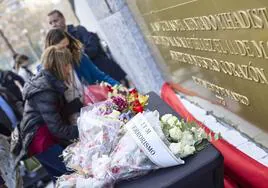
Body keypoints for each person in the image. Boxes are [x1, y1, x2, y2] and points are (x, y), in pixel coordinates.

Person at [11, 47, 79, 181]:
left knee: (62, 180)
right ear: (59, 66)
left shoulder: (47, 82)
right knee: (75, 175)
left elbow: (52, 112)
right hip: (41, 140)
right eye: (67, 65)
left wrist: (76, 105)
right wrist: (82, 130)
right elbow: (57, 128)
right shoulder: (45, 89)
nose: (69, 69)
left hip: (40, 139)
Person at [47, 9, 130, 87]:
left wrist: (78, 54)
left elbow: (93, 48)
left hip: (104, 70)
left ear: (63, 19)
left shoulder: (79, 30)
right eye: (50, 23)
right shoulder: (53, 62)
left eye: (55, 20)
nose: (54, 25)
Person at [44, 29, 119, 107]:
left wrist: (119, 88)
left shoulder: (79, 58)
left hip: (93, 107)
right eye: (61, 48)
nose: (67, 51)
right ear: (51, 51)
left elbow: (100, 76)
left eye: (67, 46)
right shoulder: (47, 72)